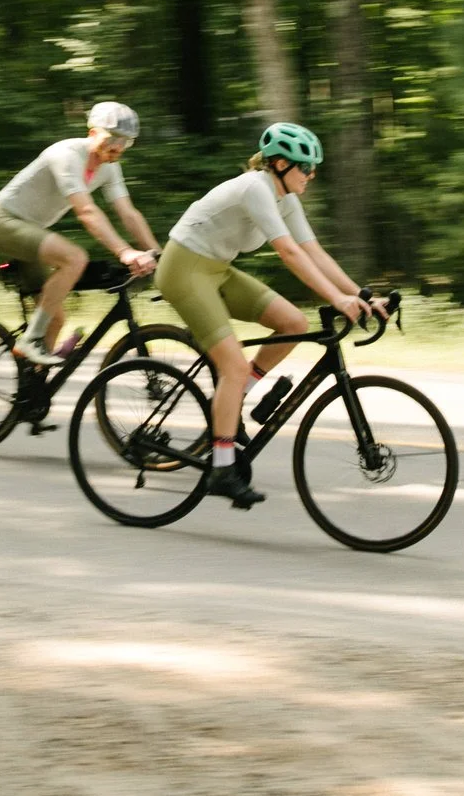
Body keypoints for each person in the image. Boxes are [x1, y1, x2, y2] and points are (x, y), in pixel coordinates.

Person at [153, 122, 368, 508]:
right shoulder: (256, 187)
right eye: (306, 167)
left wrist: (361, 295)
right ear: (281, 164)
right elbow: (289, 253)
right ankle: (220, 468)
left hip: (216, 268)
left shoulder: (287, 198)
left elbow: (313, 250)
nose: (312, 174)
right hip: (183, 268)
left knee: (293, 323)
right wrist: (337, 299)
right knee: (233, 366)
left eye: (313, 168)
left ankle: (234, 400)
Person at [0, 102, 161, 365]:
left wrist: (157, 253)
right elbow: (86, 211)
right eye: (113, 138)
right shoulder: (66, 155)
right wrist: (124, 251)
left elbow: (128, 214)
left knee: (55, 318)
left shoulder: (110, 168)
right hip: (2, 222)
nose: (118, 147)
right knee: (75, 258)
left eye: (126, 142)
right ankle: (30, 340)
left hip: (31, 230)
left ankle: (33, 392)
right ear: (92, 133)